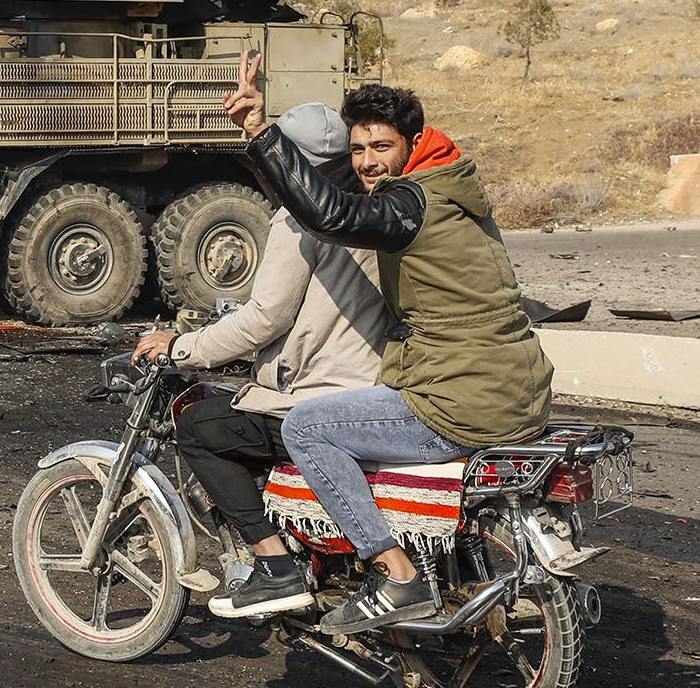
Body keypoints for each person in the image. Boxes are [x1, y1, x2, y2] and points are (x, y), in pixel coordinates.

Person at [221, 54, 552, 635]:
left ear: (413, 143)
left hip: (460, 401)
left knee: (305, 426)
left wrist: (257, 131)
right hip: (518, 389)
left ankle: (394, 572)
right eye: (358, 150)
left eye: (381, 147)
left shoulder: (410, 204)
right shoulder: (456, 189)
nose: (369, 162)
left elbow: (330, 214)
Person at [132, 102, 391, 619]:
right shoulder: (375, 206)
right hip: (378, 389)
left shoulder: (300, 217)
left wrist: (181, 347)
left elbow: (264, 318)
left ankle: (276, 569)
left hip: (323, 397)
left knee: (201, 429)